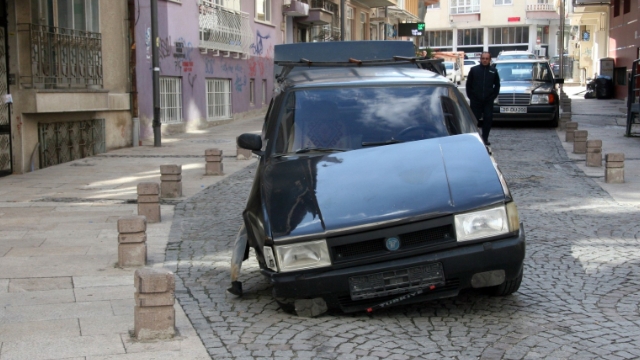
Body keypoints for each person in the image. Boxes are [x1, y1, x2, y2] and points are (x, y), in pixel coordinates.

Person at [465, 51, 500, 146]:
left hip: (488, 101)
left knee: (488, 120)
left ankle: (485, 138)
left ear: (490, 60)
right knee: (474, 120)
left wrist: (493, 96)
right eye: (483, 58)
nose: (484, 60)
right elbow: (468, 85)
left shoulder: (493, 71)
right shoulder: (474, 70)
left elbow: (497, 85)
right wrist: (471, 96)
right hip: (476, 100)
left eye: (486, 59)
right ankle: (474, 137)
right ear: (480, 59)